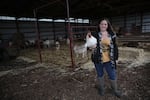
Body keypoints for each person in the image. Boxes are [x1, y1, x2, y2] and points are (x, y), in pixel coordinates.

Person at [87, 18, 122, 98]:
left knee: (112, 75)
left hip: (109, 59)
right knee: (100, 74)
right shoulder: (94, 35)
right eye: (102, 24)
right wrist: (90, 47)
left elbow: (115, 46)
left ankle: (115, 90)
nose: (103, 25)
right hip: (98, 59)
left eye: (105, 24)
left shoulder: (112, 34)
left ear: (107, 25)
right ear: (99, 25)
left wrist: (116, 57)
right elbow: (89, 46)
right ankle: (102, 89)